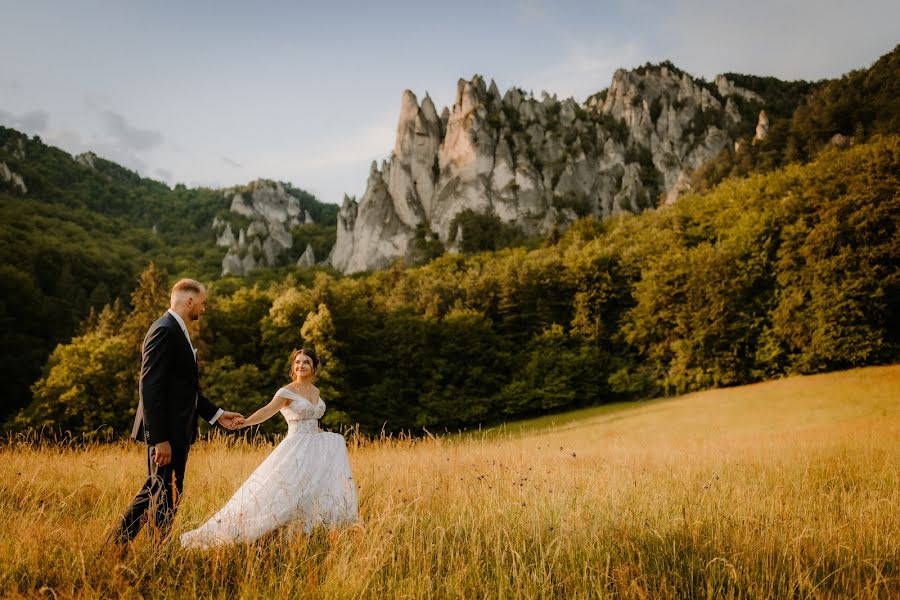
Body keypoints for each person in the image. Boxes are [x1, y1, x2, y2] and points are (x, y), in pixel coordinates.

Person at [180, 348, 359, 549]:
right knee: (278, 492)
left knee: (310, 493)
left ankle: (299, 536)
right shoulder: (286, 392)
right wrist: (246, 422)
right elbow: (267, 411)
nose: (301, 365)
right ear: (293, 367)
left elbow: (313, 420)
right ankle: (236, 531)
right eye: (298, 362)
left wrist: (328, 439)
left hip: (315, 450)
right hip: (295, 449)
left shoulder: (316, 392)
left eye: (306, 362)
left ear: (314, 367)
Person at [110, 279, 243, 546]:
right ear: (189, 301)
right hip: (165, 435)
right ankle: (118, 547)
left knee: (166, 493)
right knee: (158, 490)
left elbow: (183, 388)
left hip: (176, 432)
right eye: (202, 304)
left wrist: (216, 414)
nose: (203, 310)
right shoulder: (164, 330)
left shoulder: (176, 330)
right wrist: (159, 438)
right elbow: (150, 387)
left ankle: (151, 550)